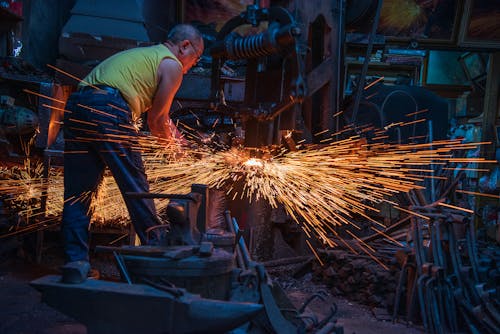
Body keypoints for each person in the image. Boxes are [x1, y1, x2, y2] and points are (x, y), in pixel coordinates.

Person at [60, 24, 204, 283]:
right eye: (196, 58)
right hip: (109, 110)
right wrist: (174, 153)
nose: (193, 65)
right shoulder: (171, 65)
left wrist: (179, 141)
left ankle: (75, 264)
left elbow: (163, 118)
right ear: (185, 46)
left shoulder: (147, 57)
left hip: (78, 106)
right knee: (137, 188)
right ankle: (161, 264)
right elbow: (156, 122)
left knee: (78, 196)